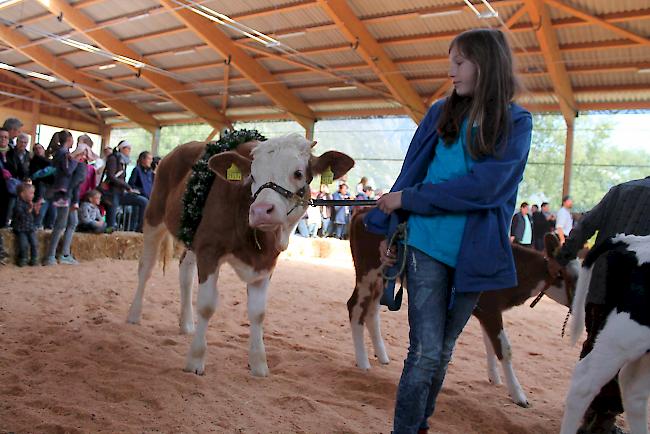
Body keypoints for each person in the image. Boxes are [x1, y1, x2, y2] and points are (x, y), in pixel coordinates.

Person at [364, 28, 532, 434]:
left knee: (442, 352)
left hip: (474, 253)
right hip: (425, 244)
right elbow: (413, 173)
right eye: (450, 62)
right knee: (424, 352)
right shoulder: (441, 112)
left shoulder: (516, 121)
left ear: (486, 64)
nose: (451, 72)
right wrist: (394, 226)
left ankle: (419, 423)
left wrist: (409, 200)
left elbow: (486, 189)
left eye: (459, 63)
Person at [554, 177, 650, 434]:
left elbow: (587, 224)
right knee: (628, 358)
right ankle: (602, 419)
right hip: (639, 297)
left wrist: (564, 255)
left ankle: (590, 411)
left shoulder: (621, 190)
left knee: (597, 345)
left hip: (598, 283)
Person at [43, 130, 81, 266]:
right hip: (62, 191)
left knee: (72, 221)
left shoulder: (63, 153)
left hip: (64, 191)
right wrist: (76, 161)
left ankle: (64, 253)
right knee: (61, 224)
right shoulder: (63, 153)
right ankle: (51, 255)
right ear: (69, 140)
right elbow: (68, 170)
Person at [103, 141, 148, 232]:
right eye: (128, 149)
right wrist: (127, 186)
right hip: (112, 192)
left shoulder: (123, 161)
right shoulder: (113, 158)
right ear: (122, 149)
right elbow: (111, 176)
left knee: (143, 201)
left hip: (121, 192)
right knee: (111, 221)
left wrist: (127, 188)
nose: (129, 151)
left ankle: (140, 228)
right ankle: (109, 229)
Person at [11, 183, 39, 266]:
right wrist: (30, 210)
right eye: (31, 193)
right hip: (21, 229)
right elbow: (20, 215)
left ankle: (34, 258)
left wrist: (36, 211)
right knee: (24, 244)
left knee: (34, 243)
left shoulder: (30, 203)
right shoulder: (18, 204)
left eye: (33, 193)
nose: (33, 195)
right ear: (22, 194)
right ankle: (23, 258)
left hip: (30, 228)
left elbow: (34, 217)